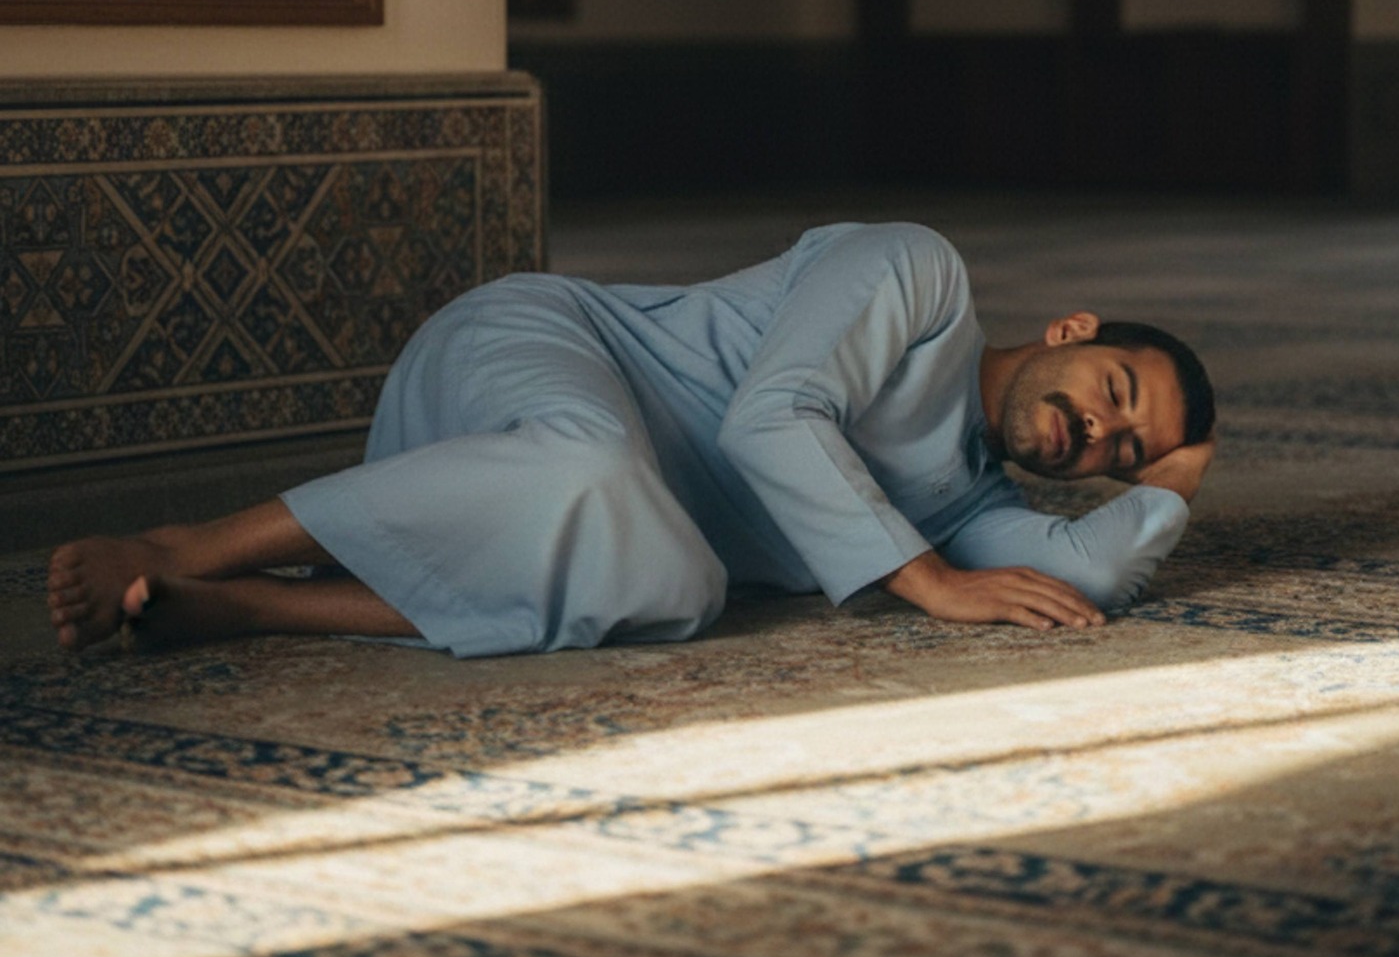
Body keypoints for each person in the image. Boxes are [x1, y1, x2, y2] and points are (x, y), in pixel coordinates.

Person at [46, 221, 1216, 657]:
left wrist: (1176, 471)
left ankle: (255, 608)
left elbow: (1088, 571)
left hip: (602, 497)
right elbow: (772, 416)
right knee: (595, 461)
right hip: (543, 348)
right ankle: (196, 540)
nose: (1096, 431)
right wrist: (924, 584)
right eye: (1114, 386)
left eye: (1121, 448)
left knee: (679, 585)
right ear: (1069, 329)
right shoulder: (919, 274)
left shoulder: (968, 509)